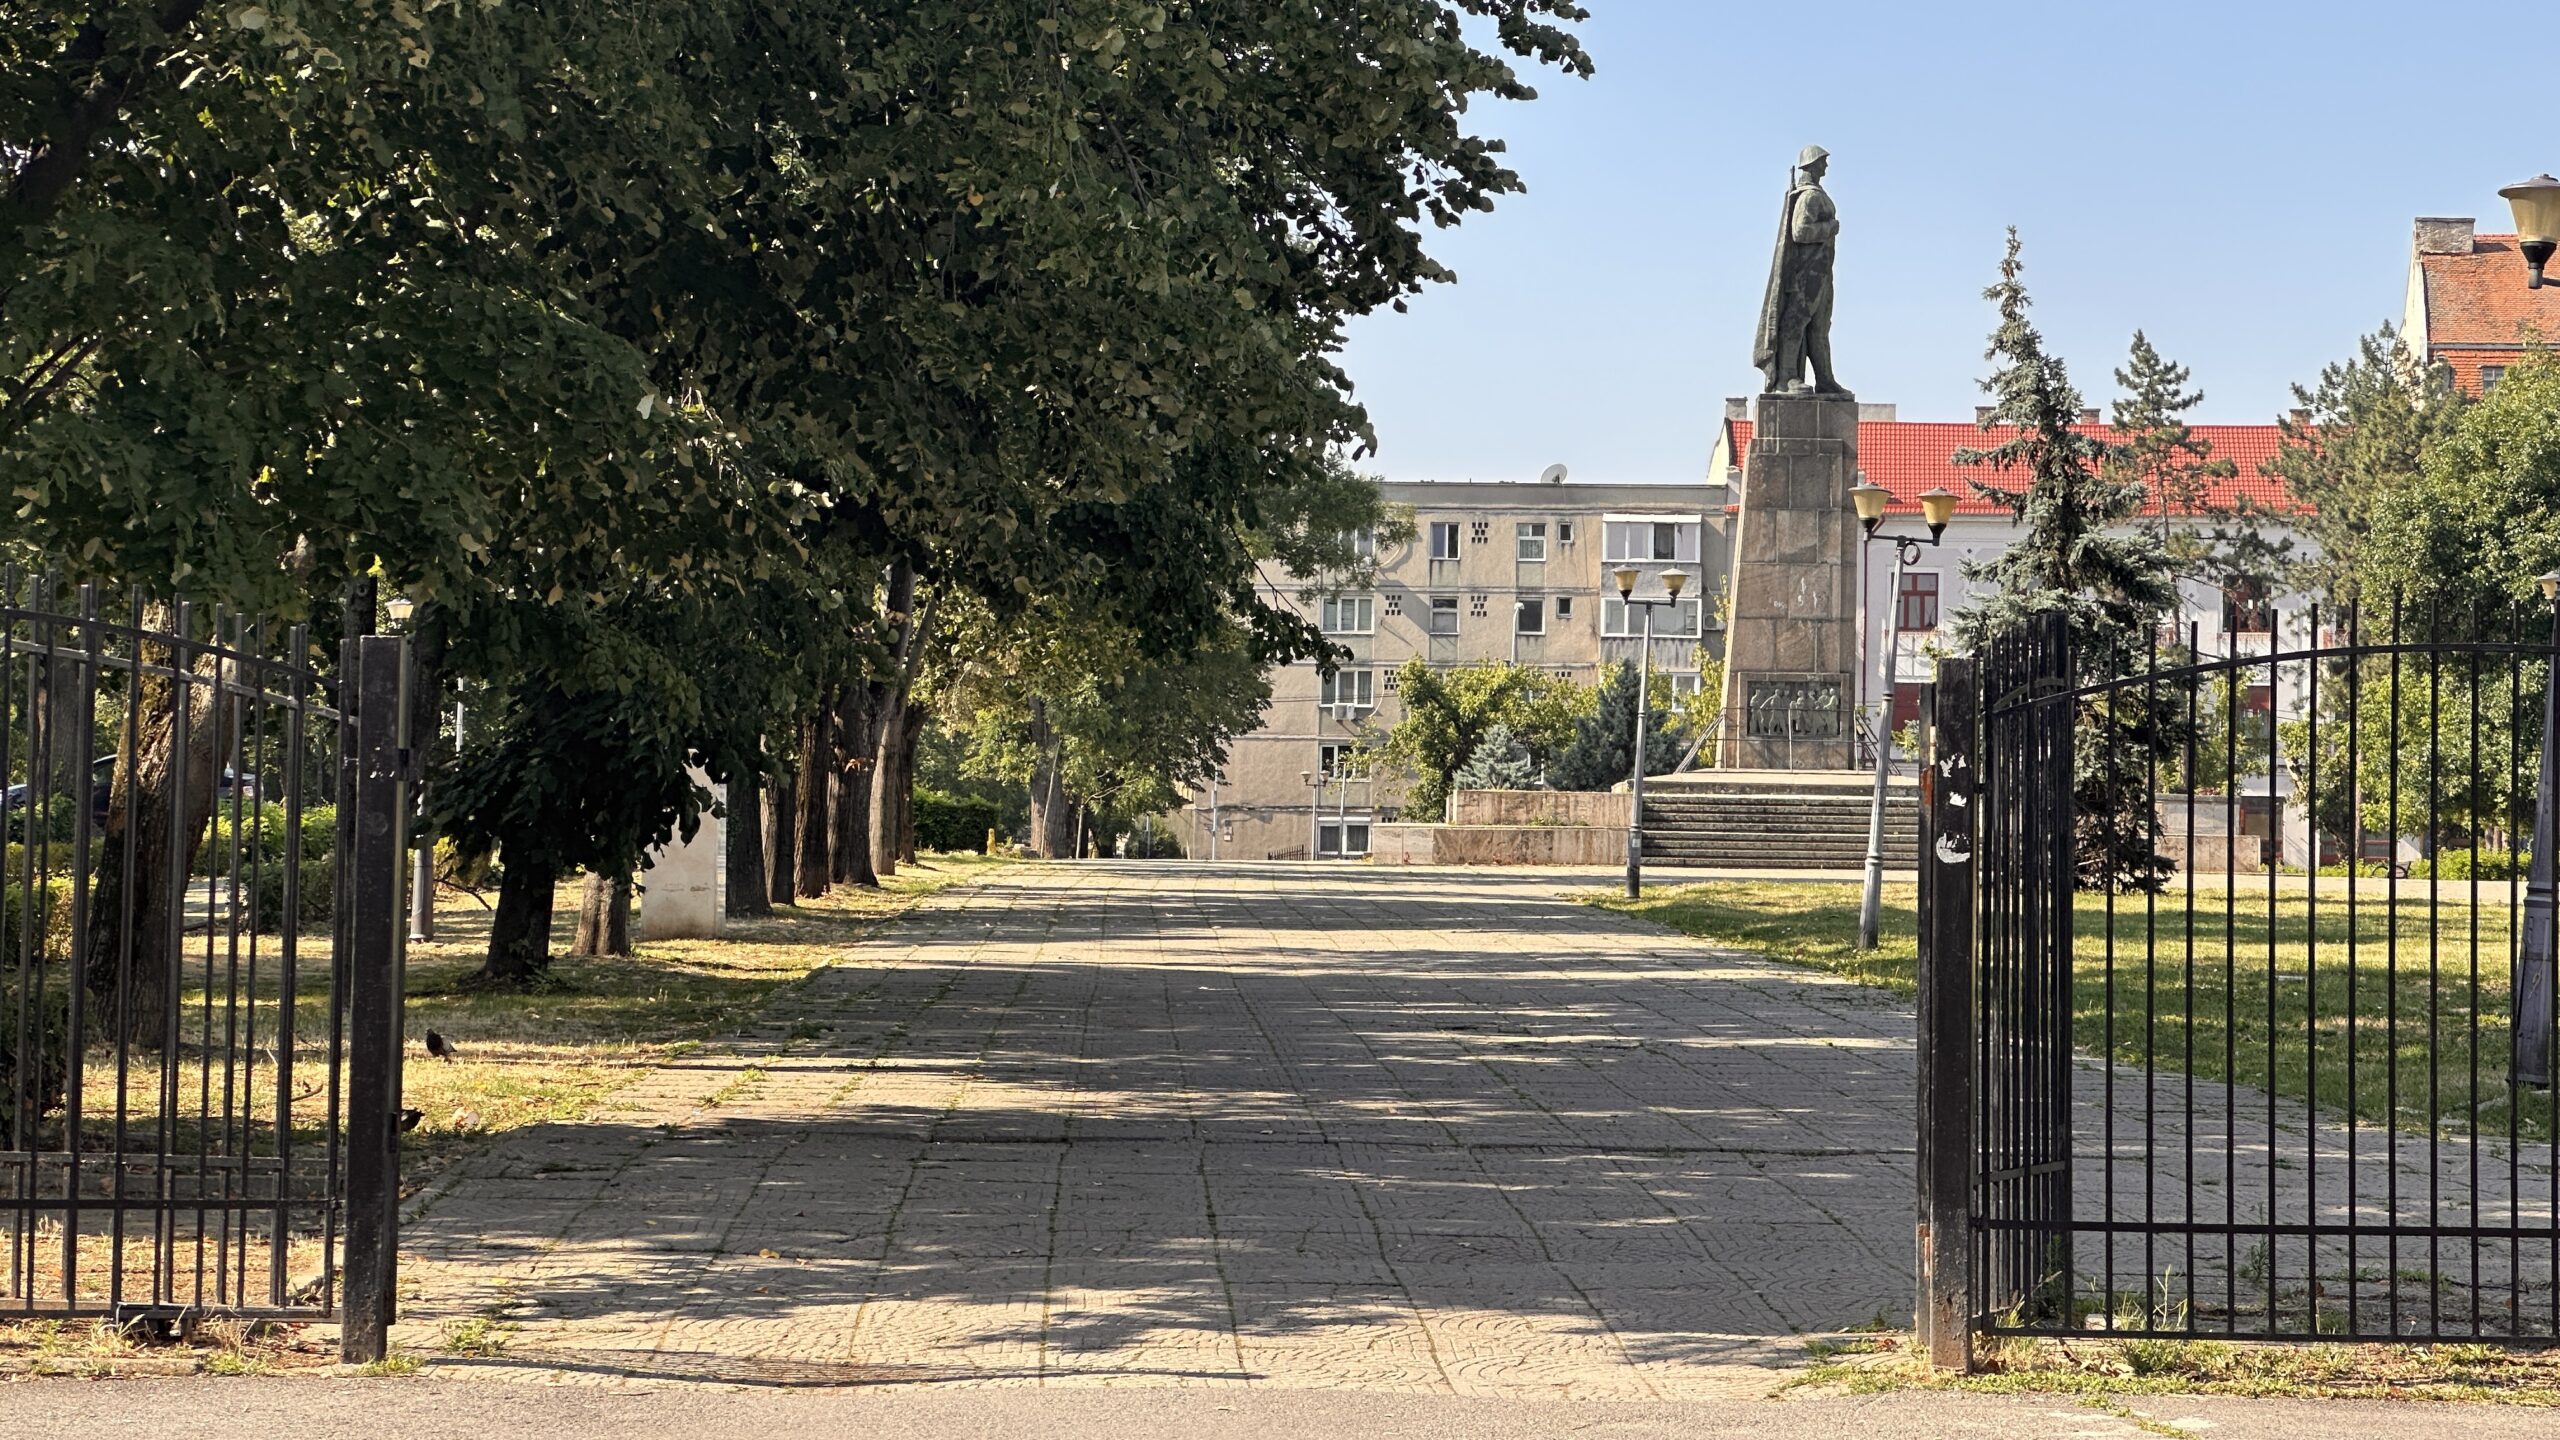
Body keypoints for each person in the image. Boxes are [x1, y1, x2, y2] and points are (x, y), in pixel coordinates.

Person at [1752, 144, 1846, 396]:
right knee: (1796, 321)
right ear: (1812, 164)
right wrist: (1830, 227)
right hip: (1807, 273)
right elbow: (1800, 232)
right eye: (1822, 161)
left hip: (1822, 272)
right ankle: (1786, 378)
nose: (1826, 166)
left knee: (1820, 328)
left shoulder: (1816, 194)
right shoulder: (1810, 197)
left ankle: (1825, 379)